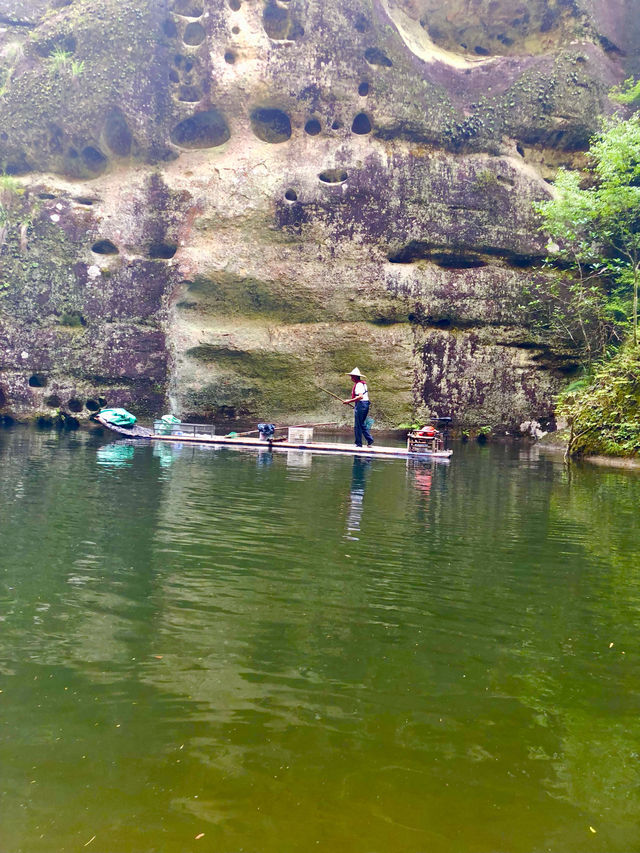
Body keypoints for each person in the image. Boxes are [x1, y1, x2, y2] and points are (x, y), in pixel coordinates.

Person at [343, 368, 374, 448]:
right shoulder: (363, 384)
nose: (351, 378)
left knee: (358, 425)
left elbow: (360, 396)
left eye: (352, 376)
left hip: (361, 404)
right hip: (364, 404)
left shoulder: (359, 385)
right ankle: (369, 439)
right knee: (361, 423)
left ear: (355, 377)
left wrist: (349, 401)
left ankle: (358, 444)